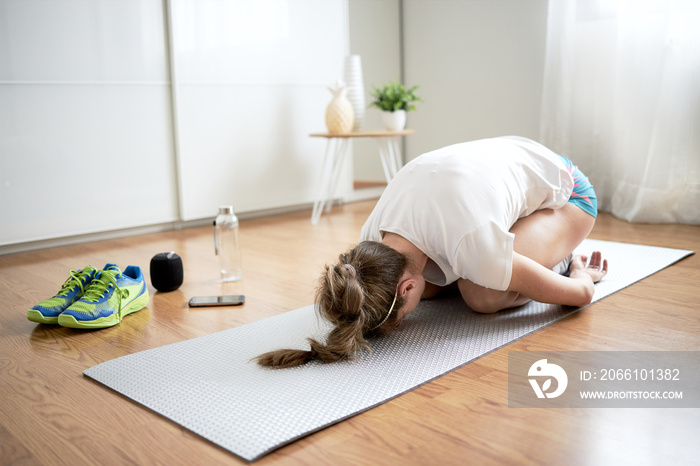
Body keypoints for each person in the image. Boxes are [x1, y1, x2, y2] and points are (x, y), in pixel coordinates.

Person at [255, 136, 608, 369]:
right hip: (492, 187)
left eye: (403, 315)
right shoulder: (371, 238)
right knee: (441, 287)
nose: (409, 317)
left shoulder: (472, 243)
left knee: (481, 294)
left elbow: (581, 296)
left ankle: (559, 256)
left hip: (566, 192)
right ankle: (523, 260)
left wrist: (579, 271)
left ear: (405, 288)